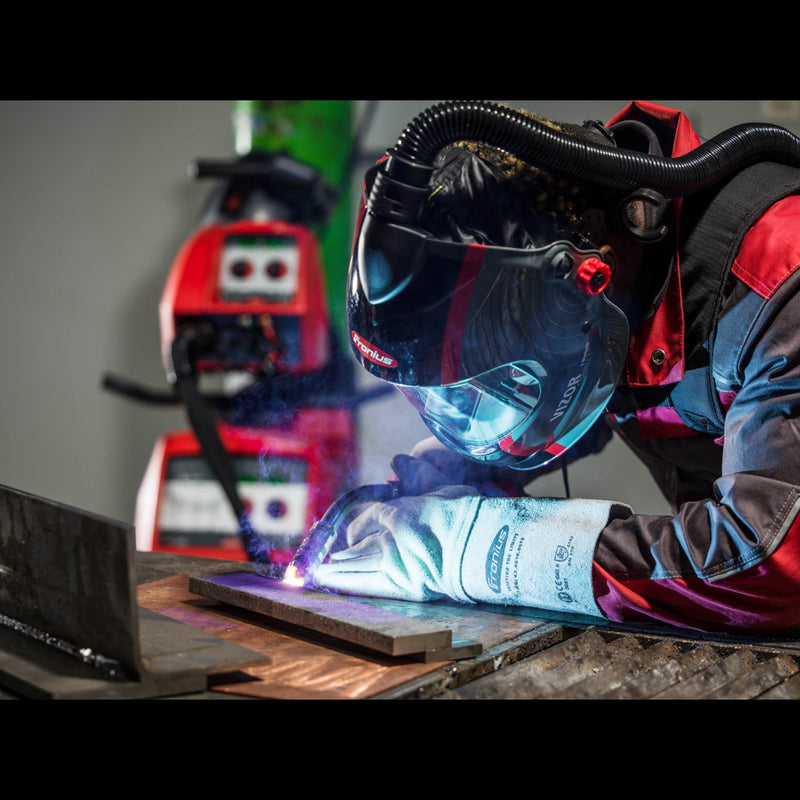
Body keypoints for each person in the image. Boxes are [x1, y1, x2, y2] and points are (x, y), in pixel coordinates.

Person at [313, 100, 800, 633]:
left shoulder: (780, 269)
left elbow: (774, 561)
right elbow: (593, 396)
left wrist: (477, 549)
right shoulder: (616, 291)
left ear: (588, 271)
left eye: (499, 379)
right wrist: (446, 480)